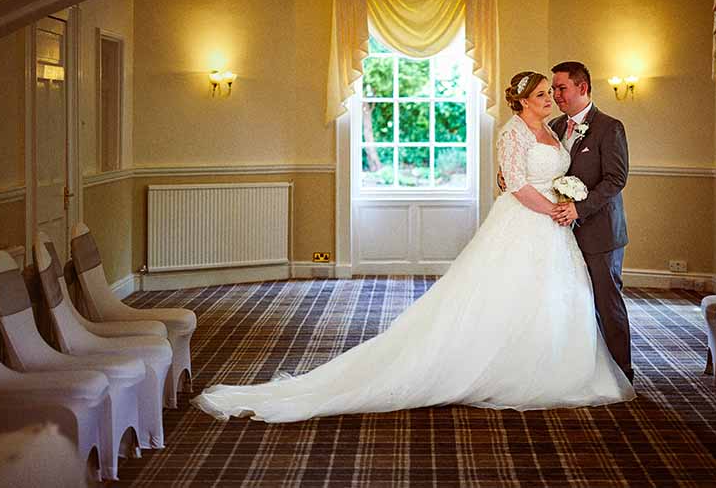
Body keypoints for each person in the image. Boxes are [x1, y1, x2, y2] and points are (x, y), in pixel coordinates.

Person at [191, 71, 635, 423]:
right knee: (503, 296)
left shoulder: (558, 129)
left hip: (559, 227)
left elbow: (575, 174)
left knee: (556, 299)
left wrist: (564, 205)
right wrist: (553, 208)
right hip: (530, 221)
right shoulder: (513, 131)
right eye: (542, 93)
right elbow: (516, 184)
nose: (550, 98)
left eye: (553, 92)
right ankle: (498, 368)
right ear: (521, 101)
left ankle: (552, 366)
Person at [499, 61, 633, 383]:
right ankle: (579, 368)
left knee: (606, 301)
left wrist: (578, 209)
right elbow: (534, 169)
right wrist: (507, 178)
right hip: (558, 231)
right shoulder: (554, 126)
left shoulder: (609, 127)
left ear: (582, 88)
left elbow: (615, 179)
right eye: (551, 90)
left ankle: (621, 372)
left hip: (599, 230)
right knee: (569, 303)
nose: (555, 96)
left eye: (561, 88)